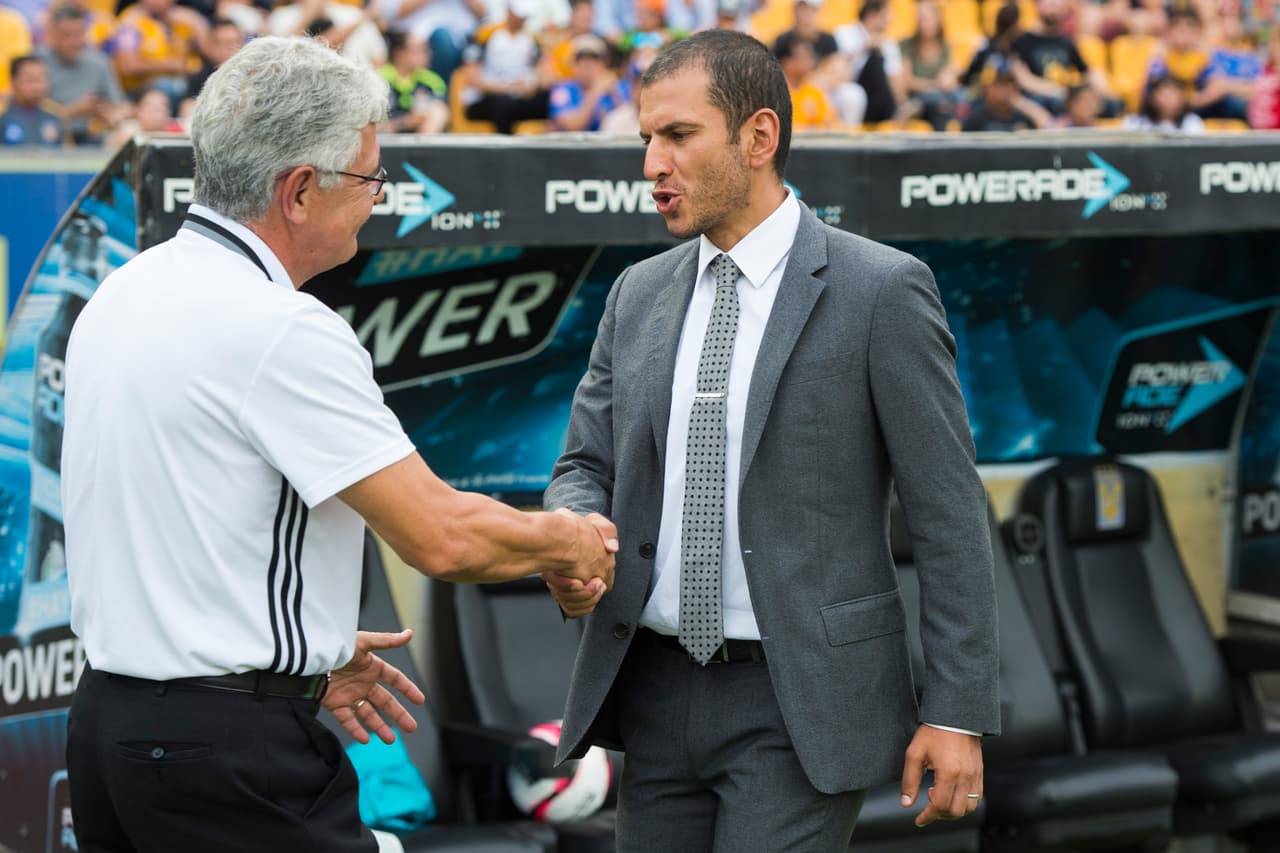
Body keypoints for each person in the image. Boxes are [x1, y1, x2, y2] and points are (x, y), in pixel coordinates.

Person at [63, 35, 617, 851]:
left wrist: (296, 656)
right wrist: (570, 538)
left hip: (112, 724)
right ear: (298, 190)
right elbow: (444, 534)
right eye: (367, 178)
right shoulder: (279, 325)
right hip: (225, 752)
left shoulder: (124, 289)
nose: (377, 197)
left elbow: (181, 530)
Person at [543, 28, 999, 853]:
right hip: (649, 687)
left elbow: (949, 512)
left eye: (678, 136)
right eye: (646, 137)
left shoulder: (881, 290)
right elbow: (585, 464)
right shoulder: (637, 294)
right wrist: (575, 534)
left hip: (800, 703)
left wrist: (956, 708)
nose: (652, 164)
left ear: (759, 137)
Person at [35, 4, 131, 145]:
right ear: (52, 35)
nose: (75, 42)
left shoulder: (99, 62)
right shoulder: (38, 61)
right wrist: (71, 111)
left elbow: (121, 105)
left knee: (128, 130)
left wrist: (109, 112)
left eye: (79, 34)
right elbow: (29, 112)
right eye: (67, 35)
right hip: (50, 133)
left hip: (92, 133)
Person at [548, 33, 630, 131]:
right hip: (573, 145)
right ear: (573, 64)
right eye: (581, 58)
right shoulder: (562, 89)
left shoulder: (619, 85)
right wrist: (594, 92)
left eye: (594, 58)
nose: (588, 64)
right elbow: (573, 127)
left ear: (605, 62)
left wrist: (614, 93)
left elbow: (631, 121)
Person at [379, 29, 450, 134]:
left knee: (439, 112)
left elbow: (443, 114)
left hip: (421, 135)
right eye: (418, 49)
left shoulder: (432, 80)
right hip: (384, 139)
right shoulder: (379, 79)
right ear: (399, 53)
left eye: (426, 49)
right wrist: (405, 122)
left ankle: (422, 150)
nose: (426, 54)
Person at [1, 55, 65, 146]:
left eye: (42, 79)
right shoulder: (3, 113)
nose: (38, 87)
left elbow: (66, 155)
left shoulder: (56, 113)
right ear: (13, 81)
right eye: (30, 80)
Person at [1123, 71, 1206, 130]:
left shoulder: (1192, 122)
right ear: (1152, 98)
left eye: (1174, 94)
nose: (1169, 99)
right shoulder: (1135, 123)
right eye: (1164, 94)